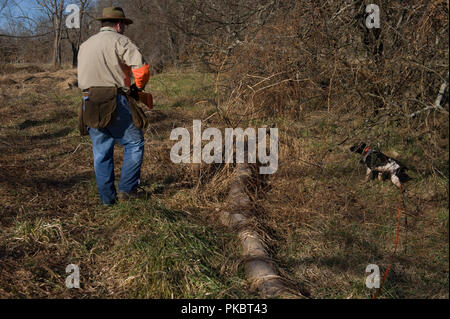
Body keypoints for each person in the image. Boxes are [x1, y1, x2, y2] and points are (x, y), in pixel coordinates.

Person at [77, 7, 150, 206]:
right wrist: (139, 87)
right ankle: (127, 190)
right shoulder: (120, 41)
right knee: (134, 144)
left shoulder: (85, 45)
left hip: (88, 101)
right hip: (114, 99)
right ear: (119, 24)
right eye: (124, 25)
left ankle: (108, 201)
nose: (124, 29)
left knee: (101, 153)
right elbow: (142, 69)